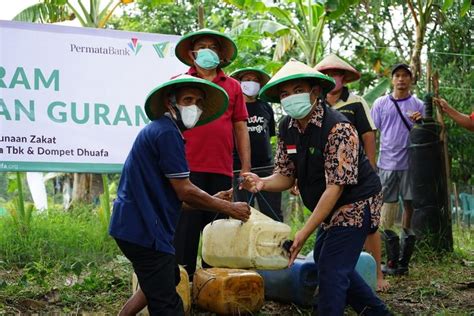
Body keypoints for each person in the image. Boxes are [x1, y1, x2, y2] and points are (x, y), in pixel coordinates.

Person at [242, 59, 390, 315]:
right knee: (327, 261)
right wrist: (262, 182)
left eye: (298, 90)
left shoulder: (339, 127)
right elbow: (286, 176)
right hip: (328, 206)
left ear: (315, 92)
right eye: (285, 94)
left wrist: (304, 233)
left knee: (332, 270)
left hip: (356, 201)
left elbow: (336, 187)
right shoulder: (287, 126)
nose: (290, 98)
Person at [108, 75, 251, 316]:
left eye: (198, 101)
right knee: (167, 304)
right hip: (143, 230)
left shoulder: (164, 131)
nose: (193, 106)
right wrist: (229, 208)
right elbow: (185, 190)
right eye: (187, 99)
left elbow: (175, 198)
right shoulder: (167, 134)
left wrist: (213, 198)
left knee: (164, 279)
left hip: (133, 226)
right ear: (170, 103)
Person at [172, 29, 251, 277]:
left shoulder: (234, 86)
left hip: (220, 167)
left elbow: (240, 127)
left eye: (213, 46)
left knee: (216, 231)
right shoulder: (179, 82)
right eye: (201, 45)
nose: (207, 50)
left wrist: (246, 167)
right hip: (186, 169)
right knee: (185, 230)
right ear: (192, 53)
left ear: (220, 54)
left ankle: (213, 284)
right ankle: (182, 283)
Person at [315, 54, 389, 292]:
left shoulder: (356, 103)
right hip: (328, 177)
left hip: (358, 176)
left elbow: (368, 136)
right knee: (330, 223)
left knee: (370, 226)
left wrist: (372, 167)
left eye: (336, 74)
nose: (332, 78)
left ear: (344, 77)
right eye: (327, 74)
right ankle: (335, 278)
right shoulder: (316, 104)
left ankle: (377, 273)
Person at [370, 63, 424, 275]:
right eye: (397, 75)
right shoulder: (381, 103)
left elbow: (427, 134)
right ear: (392, 79)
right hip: (387, 163)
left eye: (405, 76)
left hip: (411, 164)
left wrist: (420, 123)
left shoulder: (418, 104)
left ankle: (404, 258)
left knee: (409, 205)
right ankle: (391, 259)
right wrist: (371, 161)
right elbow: (372, 132)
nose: (401, 79)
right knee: (387, 206)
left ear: (411, 80)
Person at [230, 67, 283, 221]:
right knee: (242, 213)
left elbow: (270, 134)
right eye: (247, 79)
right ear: (239, 83)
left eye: (255, 80)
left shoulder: (265, 107)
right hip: (239, 169)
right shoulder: (233, 107)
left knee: (273, 213)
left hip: (266, 168)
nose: (251, 83)